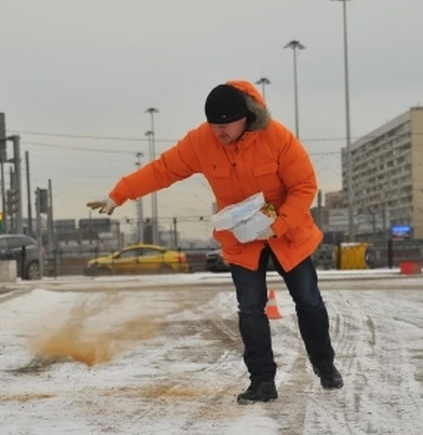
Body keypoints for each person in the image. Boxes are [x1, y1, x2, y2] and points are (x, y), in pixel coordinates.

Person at [87, 80, 343, 404]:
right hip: (241, 237)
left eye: (226, 125)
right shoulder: (201, 141)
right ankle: (262, 381)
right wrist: (118, 194)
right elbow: (163, 169)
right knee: (250, 309)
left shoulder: (277, 137)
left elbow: (304, 186)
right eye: (214, 125)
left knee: (309, 302)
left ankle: (325, 365)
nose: (219, 133)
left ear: (245, 117)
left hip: (287, 231)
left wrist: (277, 225)